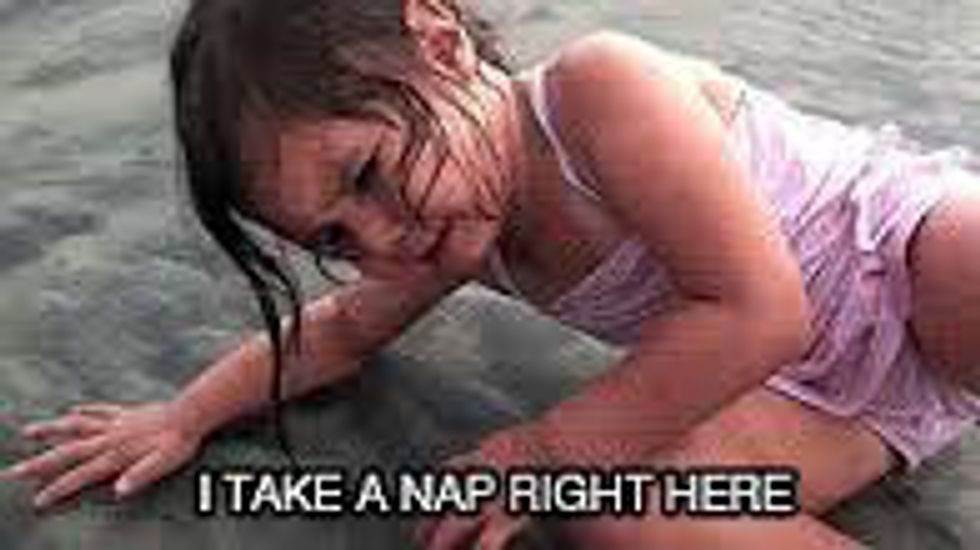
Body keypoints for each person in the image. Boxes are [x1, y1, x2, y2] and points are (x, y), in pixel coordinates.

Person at [3, 0, 980, 547]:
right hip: (826, 404)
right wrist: (183, 415)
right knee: (617, 509)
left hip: (895, 261)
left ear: (439, 42)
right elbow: (339, 332)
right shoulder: (448, 225)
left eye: (366, 174)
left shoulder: (594, 92)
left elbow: (755, 310)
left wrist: (541, 448)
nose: (380, 240)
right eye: (334, 237)